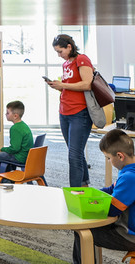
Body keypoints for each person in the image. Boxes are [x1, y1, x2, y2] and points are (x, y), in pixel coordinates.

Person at [72, 128, 135, 263]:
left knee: (81, 232)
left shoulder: (130, 178)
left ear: (120, 156)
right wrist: (89, 194)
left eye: (108, 158)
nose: (108, 161)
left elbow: (112, 210)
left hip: (134, 238)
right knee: (88, 228)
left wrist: (90, 204)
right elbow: (112, 189)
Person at [46, 34, 93, 187]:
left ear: (69, 47)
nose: (59, 55)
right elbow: (70, 87)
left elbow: (87, 84)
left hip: (79, 113)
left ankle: (75, 193)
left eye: (60, 51)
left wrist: (63, 85)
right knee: (76, 152)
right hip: (64, 112)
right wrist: (58, 86)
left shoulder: (82, 59)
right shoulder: (66, 64)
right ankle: (84, 186)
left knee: (74, 156)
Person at [0, 100, 34, 176]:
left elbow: (14, 149)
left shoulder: (15, 128)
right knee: (1, 157)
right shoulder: (23, 125)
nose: (5, 114)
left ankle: (3, 181)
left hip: (19, 157)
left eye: (8, 113)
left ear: (15, 116)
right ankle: (7, 177)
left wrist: (2, 149)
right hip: (26, 156)